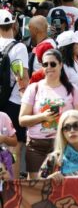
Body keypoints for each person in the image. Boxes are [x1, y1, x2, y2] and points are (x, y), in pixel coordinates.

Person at [19, 49, 78, 173]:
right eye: (45, 64)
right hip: (37, 145)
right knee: (37, 187)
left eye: (53, 64)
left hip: (64, 143)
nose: (49, 67)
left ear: (60, 65)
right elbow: (22, 120)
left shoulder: (72, 89)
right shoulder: (34, 88)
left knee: (63, 187)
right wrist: (43, 117)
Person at [0, 9, 30, 178]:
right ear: (13, 25)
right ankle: (14, 187)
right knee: (15, 144)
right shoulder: (19, 48)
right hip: (14, 100)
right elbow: (22, 77)